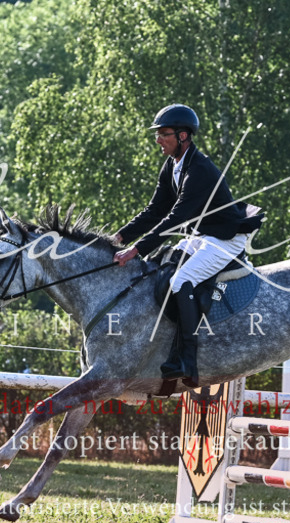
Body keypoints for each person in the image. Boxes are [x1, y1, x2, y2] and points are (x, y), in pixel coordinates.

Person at [112, 104, 263, 387]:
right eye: (157, 134)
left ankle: (188, 362)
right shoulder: (172, 165)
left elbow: (175, 217)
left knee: (181, 281)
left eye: (163, 134)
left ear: (183, 136)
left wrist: (136, 249)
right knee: (163, 267)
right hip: (200, 236)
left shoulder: (200, 169)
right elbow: (155, 210)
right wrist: (119, 237)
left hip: (224, 239)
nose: (158, 139)